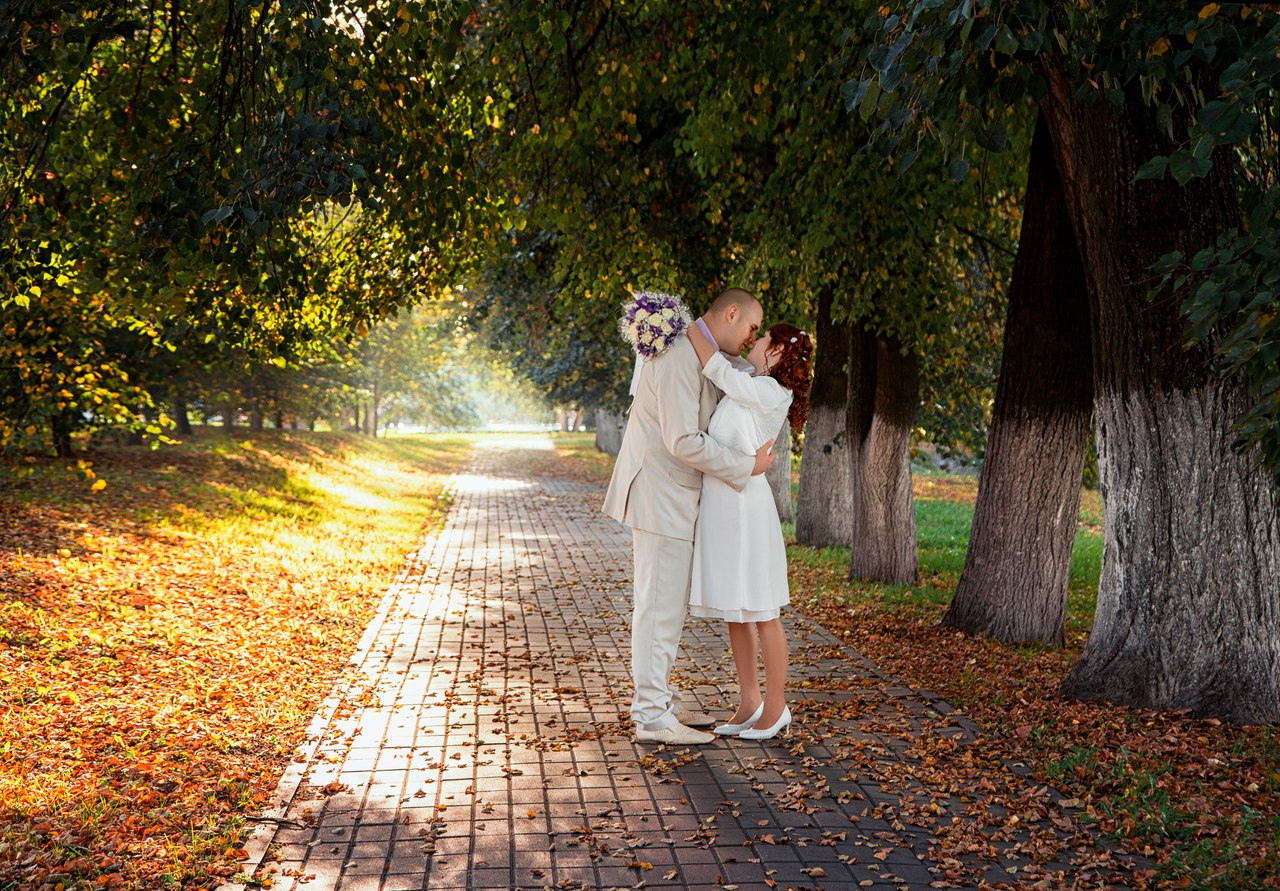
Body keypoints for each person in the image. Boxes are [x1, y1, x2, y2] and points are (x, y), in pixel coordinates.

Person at [603, 288, 777, 746]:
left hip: (666, 496)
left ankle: (654, 699)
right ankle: (652, 716)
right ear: (732, 313)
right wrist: (747, 467)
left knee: (660, 606)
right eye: (752, 328)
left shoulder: (686, 347)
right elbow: (683, 440)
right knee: (659, 609)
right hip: (661, 497)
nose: (752, 337)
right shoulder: (680, 354)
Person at [686, 320, 813, 741]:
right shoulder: (753, 382)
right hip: (724, 505)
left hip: (747, 509)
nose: (754, 342)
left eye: (763, 339)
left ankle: (776, 708)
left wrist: (687, 326)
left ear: (777, 352)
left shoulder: (772, 392)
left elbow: (717, 367)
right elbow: (730, 365)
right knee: (736, 611)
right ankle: (749, 701)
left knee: (762, 610)